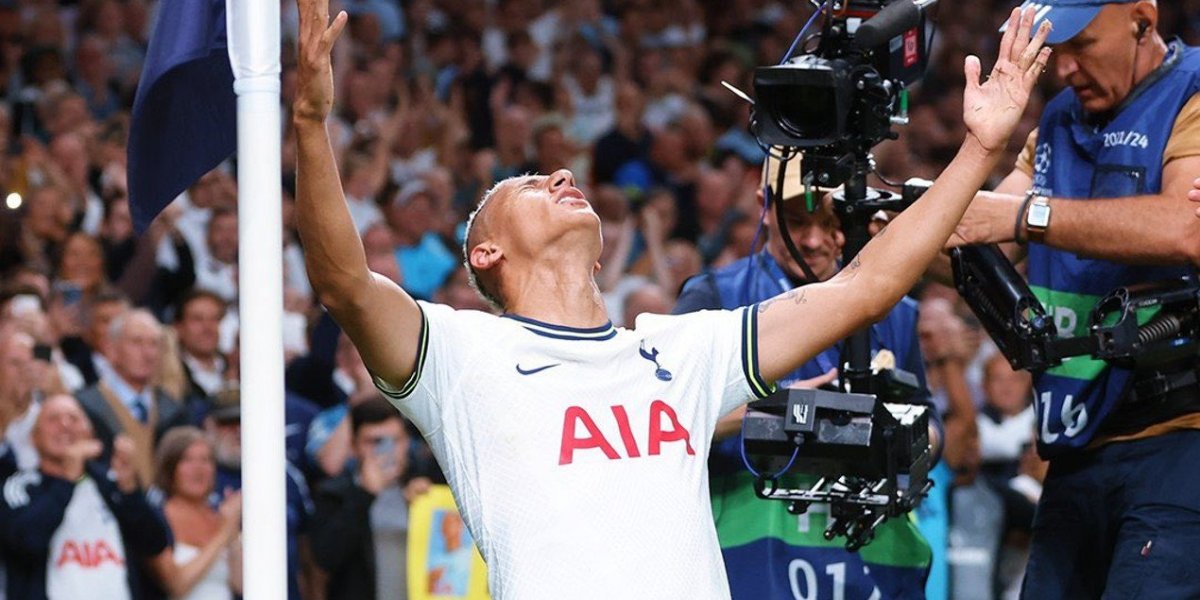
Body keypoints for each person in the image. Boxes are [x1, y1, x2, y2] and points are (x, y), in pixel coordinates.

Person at [293, 0, 1050, 595]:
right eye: (529, 183)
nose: (560, 176)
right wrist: (310, 121)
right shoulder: (460, 357)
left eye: (557, 174)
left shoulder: (675, 351)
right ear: (484, 253)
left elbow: (868, 284)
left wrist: (980, 149)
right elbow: (344, 283)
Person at [944, 1, 1200, 596]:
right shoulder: (1058, 121)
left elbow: (1184, 227)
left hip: (1180, 438)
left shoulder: (1192, 91)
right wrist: (896, 220)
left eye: (1080, 45)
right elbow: (975, 240)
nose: (1063, 69)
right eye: (1051, 50)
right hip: (1079, 446)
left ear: (1142, 18)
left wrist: (1024, 215)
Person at [671, 158, 935, 599]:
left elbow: (935, 433)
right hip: (750, 548)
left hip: (869, 558)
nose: (812, 241)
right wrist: (776, 412)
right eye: (795, 222)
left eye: (829, 222)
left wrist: (900, 432)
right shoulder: (715, 298)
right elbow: (664, 422)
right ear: (764, 207)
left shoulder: (898, 313)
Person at [0, 394, 170, 600]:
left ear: (90, 433)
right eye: (53, 419)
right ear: (33, 438)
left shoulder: (112, 483)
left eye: (74, 418)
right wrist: (66, 480)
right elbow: (26, 541)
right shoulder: (19, 486)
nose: (65, 425)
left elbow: (155, 543)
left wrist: (131, 492)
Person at [310, 397, 425, 600]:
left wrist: (430, 504)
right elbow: (325, 558)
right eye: (375, 442)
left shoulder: (427, 484)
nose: (386, 451)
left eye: (395, 441)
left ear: (407, 442)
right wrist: (364, 493)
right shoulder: (333, 494)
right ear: (354, 447)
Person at [148, 426, 243, 600]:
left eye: (206, 460)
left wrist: (233, 530)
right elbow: (175, 586)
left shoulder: (221, 518)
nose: (198, 469)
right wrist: (223, 534)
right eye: (187, 460)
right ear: (170, 467)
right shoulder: (157, 518)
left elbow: (241, 585)